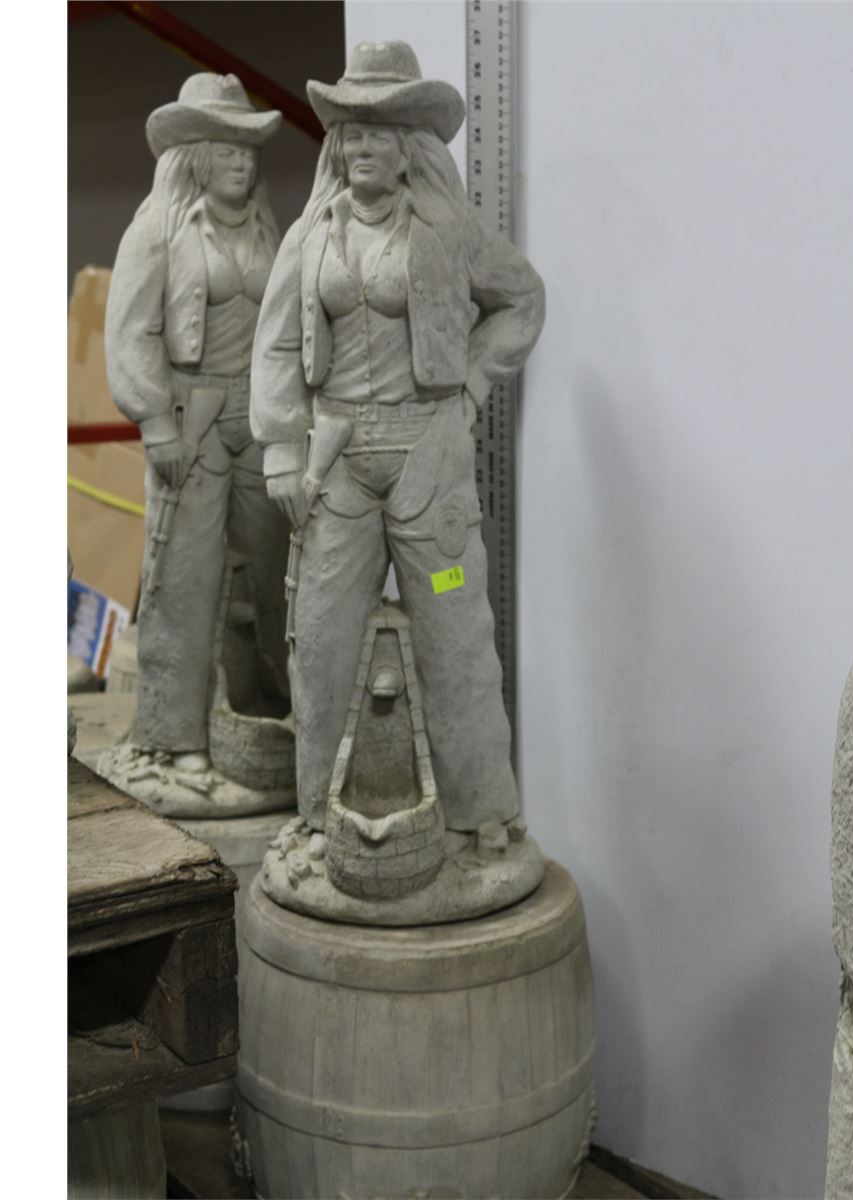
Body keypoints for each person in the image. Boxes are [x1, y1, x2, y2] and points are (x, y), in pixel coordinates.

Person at [251, 41, 545, 834]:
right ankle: (316, 822)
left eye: (378, 132)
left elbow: (521, 299)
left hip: (428, 461)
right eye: (351, 132)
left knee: (454, 634)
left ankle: (483, 819)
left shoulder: (447, 231)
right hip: (337, 465)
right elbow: (276, 344)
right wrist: (280, 447)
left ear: (409, 144)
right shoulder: (311, 236)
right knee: (320, 640)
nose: (361, 146)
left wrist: (474, 382)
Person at [105, 73, 290, 773]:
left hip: (258, 417)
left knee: (274, 570)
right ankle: (174, 736)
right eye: (226, 149)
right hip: (192, 418)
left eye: (247, 150)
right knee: (184, 579)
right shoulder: (158, 230)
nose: (241, 162)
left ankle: (270, 718)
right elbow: (130, 333)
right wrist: (155, 422)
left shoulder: (268, 228)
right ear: (196, 157)